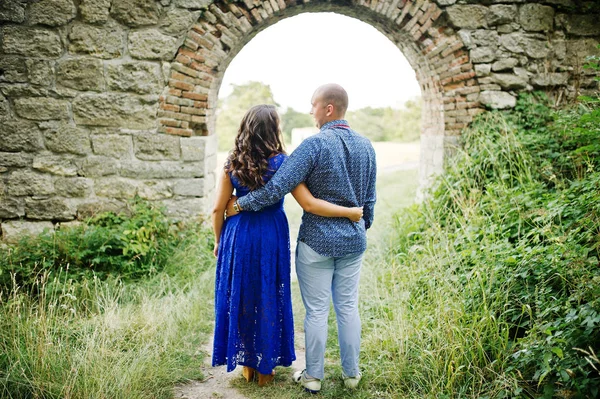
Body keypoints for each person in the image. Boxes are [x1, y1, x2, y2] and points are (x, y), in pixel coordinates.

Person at [227, 84, 377, 393]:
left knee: (318, 310)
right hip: (353, 242)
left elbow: (274, 189)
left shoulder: (313, 146)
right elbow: (370, 202)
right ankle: (351, 375)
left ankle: (313, 377)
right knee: (348, 307)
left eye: (313, 105)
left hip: (317, 242)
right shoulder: (367, 146)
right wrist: (359, 228)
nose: (311, 111)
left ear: (329, 109)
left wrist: (240, 204)